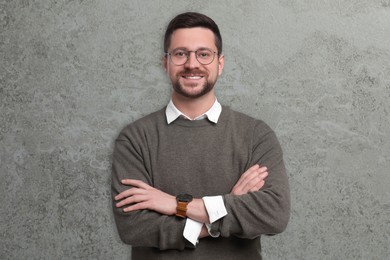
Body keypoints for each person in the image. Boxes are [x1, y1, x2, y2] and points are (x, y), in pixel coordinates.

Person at [111, 12, 290, 260]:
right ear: (166, 63)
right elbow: (134, 227)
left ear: (220, 63)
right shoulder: (134, 139)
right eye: (180, 53)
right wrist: (224, 209)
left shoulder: (255, 135)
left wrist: (176, 204)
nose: (192, 64)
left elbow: (273, 214)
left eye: (204, 54)